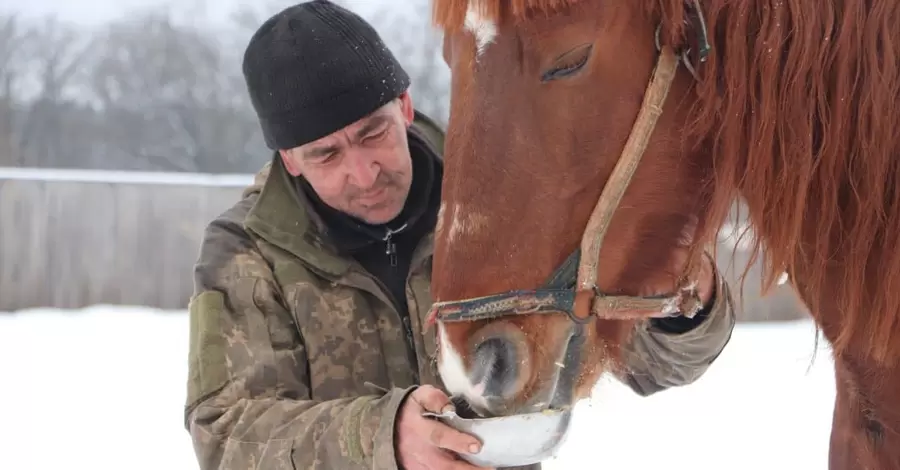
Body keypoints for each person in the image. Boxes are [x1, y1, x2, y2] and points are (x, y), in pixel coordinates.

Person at [182, 1, 737, 469]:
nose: (363, 171)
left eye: (373, 132)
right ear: (291, 161)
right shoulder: (248, 250)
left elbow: (647, 366)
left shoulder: (502, 205)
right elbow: (227, 431)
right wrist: (382, 438)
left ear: (403, 105)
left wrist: (681, 307)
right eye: (326, 154)